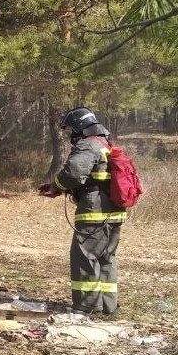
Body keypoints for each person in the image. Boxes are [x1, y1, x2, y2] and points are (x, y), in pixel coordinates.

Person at [39, 107, 126, 315]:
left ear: (79, 127)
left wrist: (56, 186)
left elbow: (74, 173)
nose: (71, 136)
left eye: (71, 130)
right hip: (113, 212)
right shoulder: (105, 144)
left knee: (85, 257)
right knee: (105, 258)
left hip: (94, 212)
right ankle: (107, 307)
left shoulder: (89, 144)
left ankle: (87, 307)